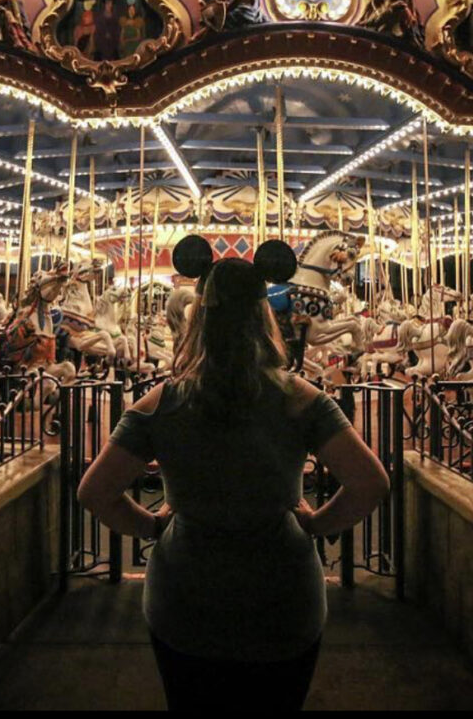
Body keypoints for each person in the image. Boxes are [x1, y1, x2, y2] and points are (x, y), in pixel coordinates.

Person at [77, 253, 389, 711]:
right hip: (283, 597)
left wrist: (151, 526)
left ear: (198, 317)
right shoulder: (301, 399)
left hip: (185, 597)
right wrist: (318, 525)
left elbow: (95, 492)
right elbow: (370, 482)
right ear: (265, 316)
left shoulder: (162, 403)